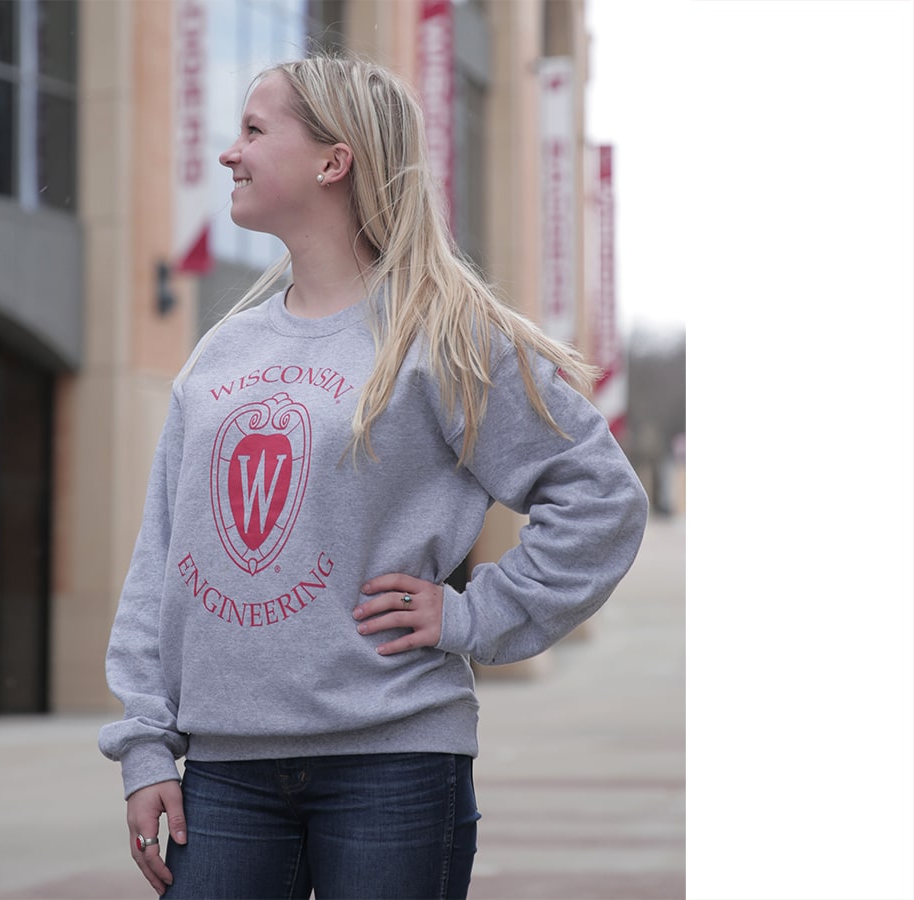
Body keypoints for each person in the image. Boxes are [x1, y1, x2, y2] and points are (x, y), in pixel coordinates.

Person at [99, 54, 648, 899]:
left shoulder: (444, 333)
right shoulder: (222, 350)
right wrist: (144, 746)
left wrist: (477, 614)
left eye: (253, 131)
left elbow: (600, 499)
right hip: (224, 778)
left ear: (333, 160)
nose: (228, 155)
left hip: (392, 766)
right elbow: (162, 558)